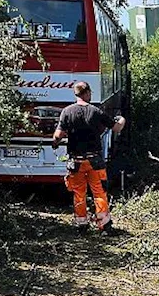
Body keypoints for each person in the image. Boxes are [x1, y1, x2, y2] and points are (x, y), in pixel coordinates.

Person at [52, 82, 125, 233]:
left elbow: (57, 136)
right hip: (95, 161)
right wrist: (122, 119)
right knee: (99, 192)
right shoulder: (96, 111)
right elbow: (117, 127)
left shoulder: (66, 112)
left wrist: (55, 144)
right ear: (87, 93)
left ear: (76, 94)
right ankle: (104, 225)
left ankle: (82, 225)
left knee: (79, 193)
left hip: (76, 161)